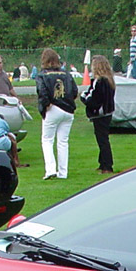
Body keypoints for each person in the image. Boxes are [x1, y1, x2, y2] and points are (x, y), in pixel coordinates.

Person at [36, 48, 78, 180]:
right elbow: (75, 91)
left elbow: (42, 92)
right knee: (63, 142)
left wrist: (45, 105)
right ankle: (63, 172)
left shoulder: (42, 75)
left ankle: (50, 170)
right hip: (68, 110)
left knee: (47, 140)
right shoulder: (66, 74)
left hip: (53, 108)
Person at [80, 54, 116, 173]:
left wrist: (84, 99)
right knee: (102, 139)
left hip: (100, 114)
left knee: (102, 140)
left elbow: (94, 99)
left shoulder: (100, 81)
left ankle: (107, 166)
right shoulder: (109, 80)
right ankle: (102, 163)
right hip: (107, 113)